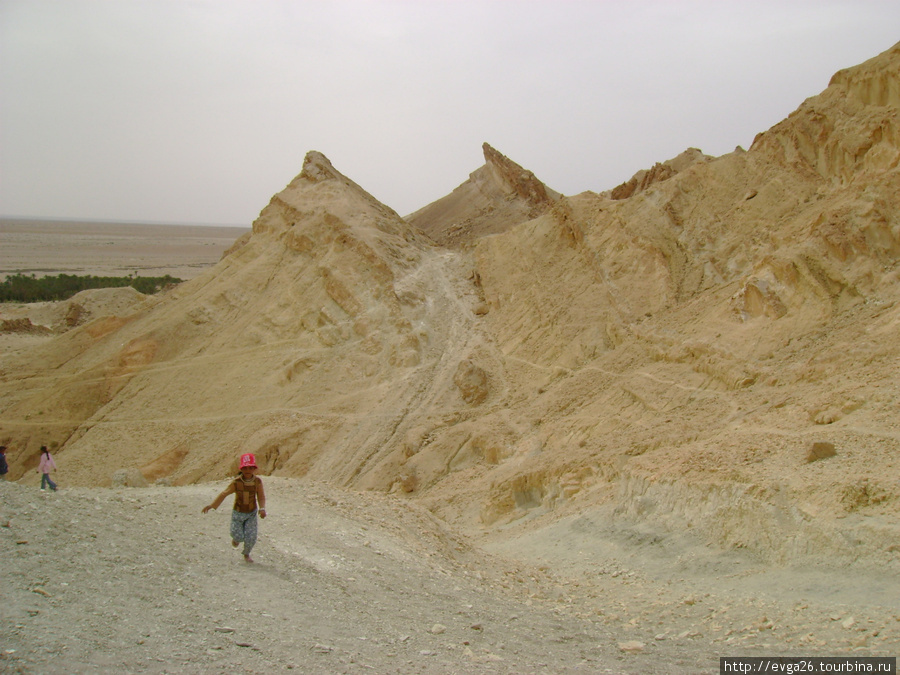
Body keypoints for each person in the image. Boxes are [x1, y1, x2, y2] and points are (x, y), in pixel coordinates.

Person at [201, 453, 267, 563]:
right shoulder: (237, 482)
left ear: (254, 469)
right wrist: (212, 505)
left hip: (251, 513)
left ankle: (246, 554)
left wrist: (262, 509)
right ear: (241, 468)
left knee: (251, 537)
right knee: (238, 535)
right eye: (245, 468)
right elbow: (224, 493)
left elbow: (261, 497)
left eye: (250, 468)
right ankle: (236, 540)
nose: (248, 470)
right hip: (238, 513)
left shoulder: (257, 482)